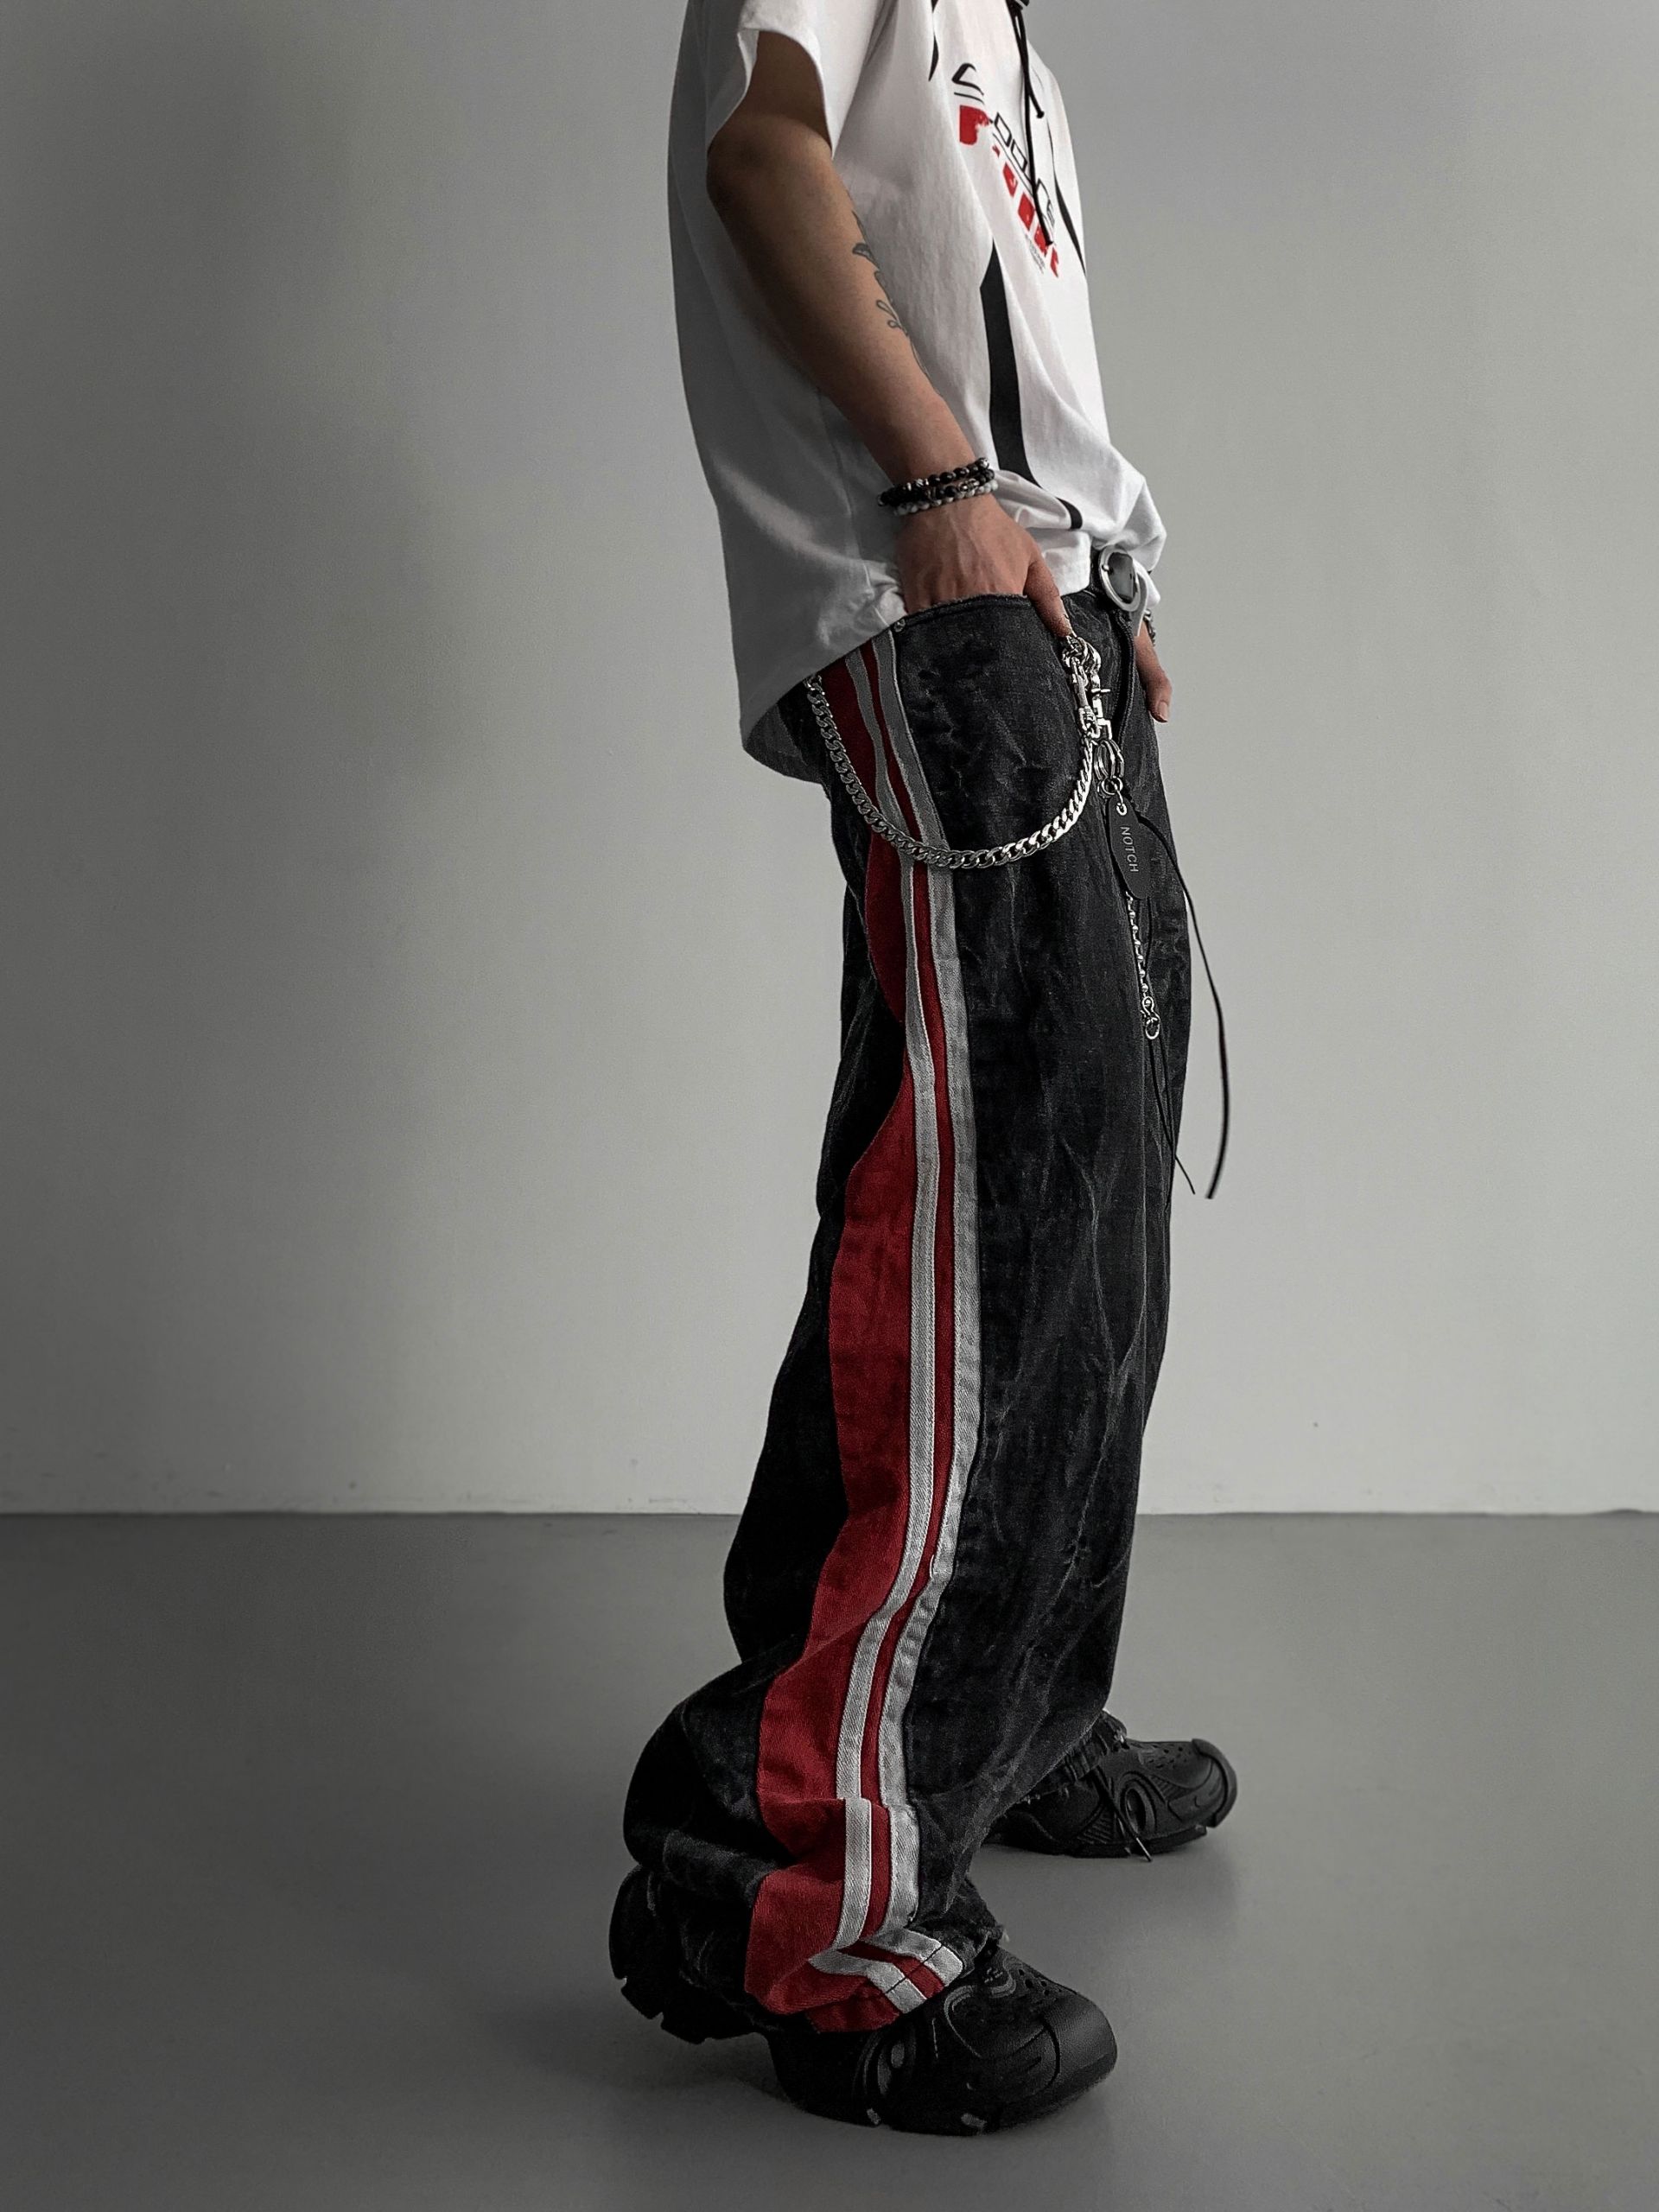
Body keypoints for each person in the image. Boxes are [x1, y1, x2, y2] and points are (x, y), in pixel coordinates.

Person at [608, 0, 1236, 2135]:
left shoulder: (1005, 28)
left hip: (1041, 595)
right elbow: (765, 158)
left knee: (1083, 1198)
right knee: (985, 1220)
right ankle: (823, 1904)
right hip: (930, 580)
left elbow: (989, 287)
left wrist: (1092, 559)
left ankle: (995, 1716)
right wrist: (949, 486)